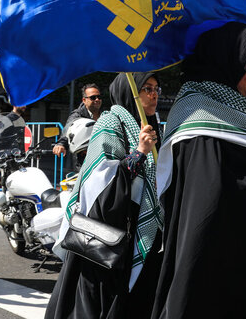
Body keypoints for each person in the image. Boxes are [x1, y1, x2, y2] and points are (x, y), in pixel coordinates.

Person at [151, 23, 246, 318]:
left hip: (242, 274)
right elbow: (215, 200)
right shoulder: (201, 116)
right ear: (228, 61)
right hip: (211, 275)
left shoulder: (244, 112)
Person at [45, 72, 163, 319]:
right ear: (130, 92)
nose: (154, 95)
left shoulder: (152, 127)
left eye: (156, 89)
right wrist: (140, 152)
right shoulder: (110, 122)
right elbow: (99, 182)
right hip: (108, 234)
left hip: (141, 229)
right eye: (147, 89)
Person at [53, 83, 103, 169]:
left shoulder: (105, 114)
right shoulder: (77, 115)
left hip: (103, 158)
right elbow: (69, 129)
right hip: (84, 162)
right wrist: (61, 144)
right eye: (93, 97)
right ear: (84, 100)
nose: (97, 99)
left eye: (99, 97)